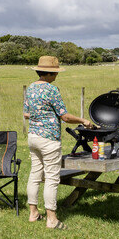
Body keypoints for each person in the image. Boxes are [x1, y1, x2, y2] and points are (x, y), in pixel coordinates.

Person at [23, 56, 95, 229]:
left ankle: (33, 213)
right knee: (52, 178)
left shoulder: (31, 88)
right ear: (49, 73)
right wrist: (83, 120)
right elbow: (65, 116)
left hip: (33, 137)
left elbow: (26, 114)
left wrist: (39, 115)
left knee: (34, 175)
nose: (56, 75)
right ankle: (52, 219)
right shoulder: (52, 90)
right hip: (49, 139)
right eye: (55, 72)